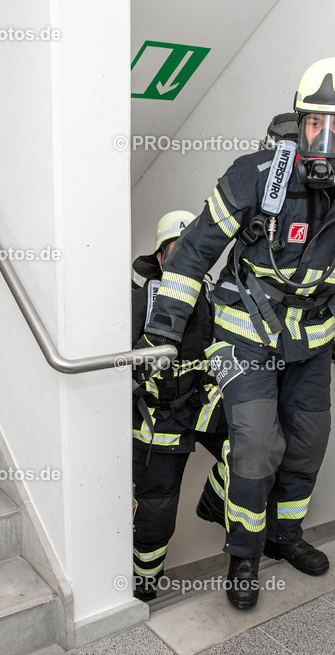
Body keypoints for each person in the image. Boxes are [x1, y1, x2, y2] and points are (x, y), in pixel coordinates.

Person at [136, 58, 335, 609]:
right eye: (314, 125)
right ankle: (244, 557)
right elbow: (192, 254)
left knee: (306, 445)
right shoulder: (254, 176)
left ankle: (285, 538)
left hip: (313, 338)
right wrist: (163, 332)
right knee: (256, 448)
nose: (324, 139)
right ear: (299, 122)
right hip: (244, 333)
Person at [130, 210, 229, 602]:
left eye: (195, 249)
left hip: (204, 406)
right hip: (159, 418)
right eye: (178, 249)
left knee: (253, 448)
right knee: (157, 511)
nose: (188, 257)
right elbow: (119, 360)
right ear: (160, 256)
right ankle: (143, 585)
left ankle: (214, 504)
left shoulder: (211, 295)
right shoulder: (143, 300)